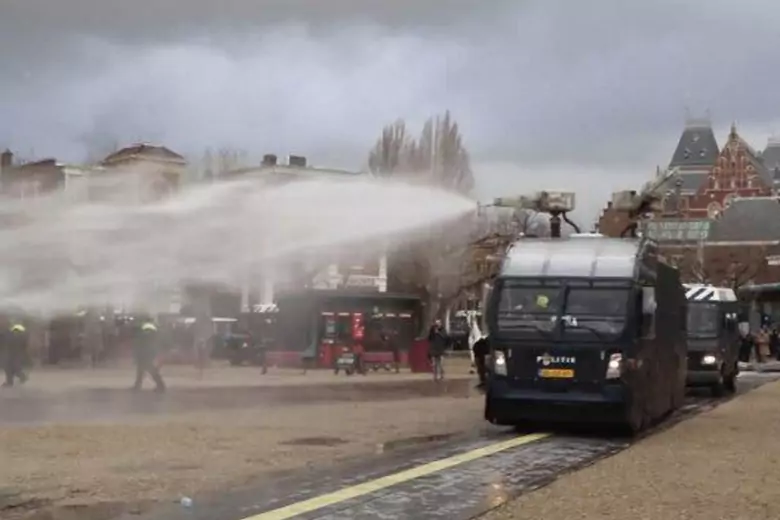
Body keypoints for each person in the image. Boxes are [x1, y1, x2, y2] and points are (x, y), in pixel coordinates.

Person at [133, 319, 166, 392]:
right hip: (147, 352)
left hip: (145, 353)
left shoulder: (145, 330)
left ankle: (160, 385)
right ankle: (138, 385)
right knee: (142, 370)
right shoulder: (152, 329)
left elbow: (143, 341)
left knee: (149, 370)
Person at [3, 322, 29, 387]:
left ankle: (20, 378)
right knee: (10, 368)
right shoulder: (13, 335)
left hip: (14, 353)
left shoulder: (12, 335)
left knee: (13, 367)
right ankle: (12, 381)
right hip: (14, 353)